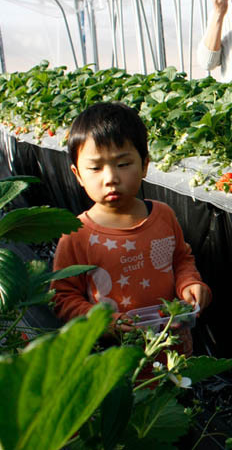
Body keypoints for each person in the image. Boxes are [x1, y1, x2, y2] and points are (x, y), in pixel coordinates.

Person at [51, 102, 211, 352]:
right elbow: (62, 297)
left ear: (145, 165)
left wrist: (190, 284)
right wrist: (102, 322)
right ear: (78, 174)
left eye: (123, 164)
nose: (110, 178)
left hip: (172, 351)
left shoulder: (163, 216)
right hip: (114, 358)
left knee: (176, 388)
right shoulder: (76, 234)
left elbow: (181, 259)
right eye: (95, 168)